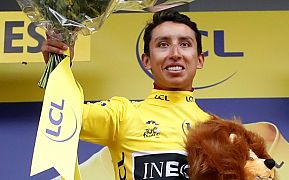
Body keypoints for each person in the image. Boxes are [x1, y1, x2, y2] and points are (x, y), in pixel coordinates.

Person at [42, 10, 209, 180]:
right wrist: (59, 64)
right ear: (147, 61)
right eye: (163, 45)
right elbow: (65, 115)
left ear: (200, 60)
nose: (175, 54)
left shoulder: (220, 133)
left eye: (185, 44)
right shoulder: (122, 114)